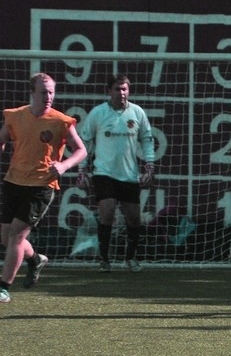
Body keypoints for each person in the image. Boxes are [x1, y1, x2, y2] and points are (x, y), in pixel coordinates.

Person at [0, 72, 87, 302]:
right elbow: (2, 139)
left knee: (16, 235)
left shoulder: (61, 121)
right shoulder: (16, 116)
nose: (48, 97)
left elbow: (81, 150)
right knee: (6, 238)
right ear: (32, 93)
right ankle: (35, 259)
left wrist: (64, 165)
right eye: (43, 92)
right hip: (13, 181)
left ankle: (4, 288)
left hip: (41, 185)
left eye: (51, 92)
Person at [76, 74, 155, 272]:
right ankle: (104, 260)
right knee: (108, 211)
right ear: (109, 91)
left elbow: (147, 139)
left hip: (129, 174)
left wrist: (149, 165)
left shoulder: (137, 112)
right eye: (117, 89)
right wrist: (82, 169)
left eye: (124, 89)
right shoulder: (98, 113)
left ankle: (130, 258)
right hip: (104, 173)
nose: (121, 93)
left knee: (134, 218)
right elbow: (86, 142)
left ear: (129, 91)